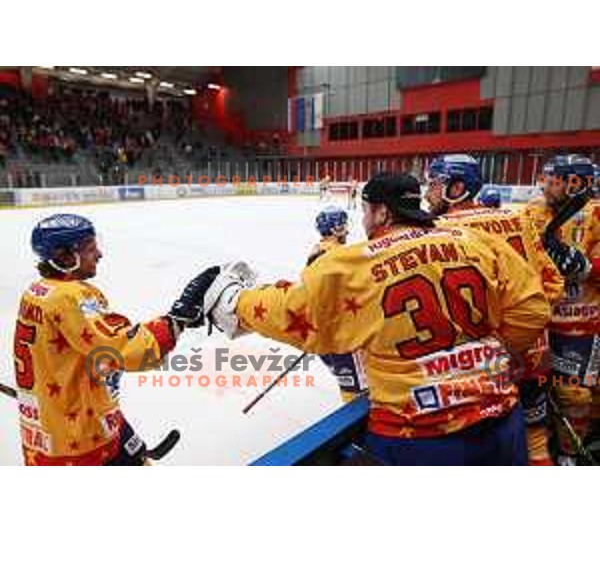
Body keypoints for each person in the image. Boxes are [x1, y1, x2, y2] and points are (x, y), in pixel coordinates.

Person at [197, 173, 551, 465]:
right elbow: (532, 308)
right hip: (502, 419)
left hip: (415, 434)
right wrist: (492, 355)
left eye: (365, 211)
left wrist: (237, 301)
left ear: (382, 213)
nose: (362, 220)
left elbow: (296, 312)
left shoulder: (354, 263)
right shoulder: (475, 240)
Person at [14, 213, 217, 465]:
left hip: (53, 429)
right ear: (65, 257)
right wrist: (177, 319)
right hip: (79, 445)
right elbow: (121, 348)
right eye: (90, 249)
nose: (99, 253)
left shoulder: (37, 292)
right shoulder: (69, 298)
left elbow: (76, 356)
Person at [425, 154, 564, 465]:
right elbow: (552, 284)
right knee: (535, 439)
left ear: (456, 188)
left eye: (434, 184)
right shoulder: (519, 220)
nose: (428, 192)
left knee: (479, 448)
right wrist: (523, 335)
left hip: (476, 365)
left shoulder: (435, 230)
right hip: (532, 353)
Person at [523, 154, 600, 465]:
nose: (545, 187)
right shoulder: (531, 212)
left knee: (575, 395)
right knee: (540, 389)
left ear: (576, 184)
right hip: (540, 324)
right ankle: (547, 445)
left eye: (553, 182)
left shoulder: (596, 214)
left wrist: (584, 267)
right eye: (545, 180)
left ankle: (569, 452)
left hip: (582, 325)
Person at [307, 206, 367, 403]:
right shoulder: (337, 255)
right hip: (345, 336)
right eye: (342, 226)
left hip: (327, 335)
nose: (347, 230)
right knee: (360, 393)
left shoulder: (318, 251)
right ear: (334, 229)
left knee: (350, 385)